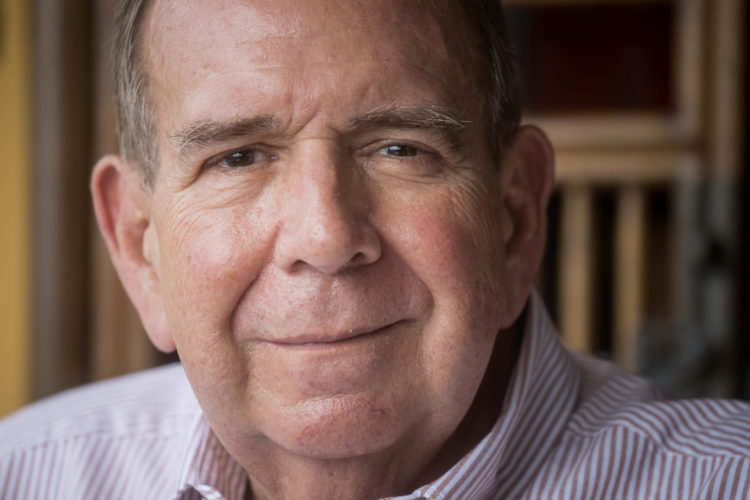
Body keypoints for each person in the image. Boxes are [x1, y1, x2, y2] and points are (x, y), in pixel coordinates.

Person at [1, 0, 749, 498]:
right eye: (236, 158)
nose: (325, 237)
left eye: (399, 148)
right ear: (140, 249)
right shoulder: (27, 475)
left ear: (515, 219)